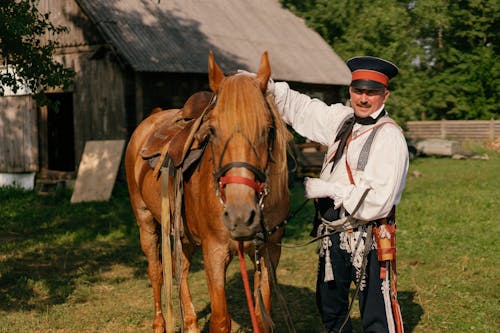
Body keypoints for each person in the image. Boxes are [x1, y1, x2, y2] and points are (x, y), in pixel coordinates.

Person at [270, 56, 408, 333]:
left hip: (368, 234)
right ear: (350, 91)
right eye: (359, 91)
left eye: (371, 92)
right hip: (332, 231)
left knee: (376, 312)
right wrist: (265, 86)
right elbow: (303, 109)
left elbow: (378, 202)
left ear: (385, 95)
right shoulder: (343, 120)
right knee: (330, 305)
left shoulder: (390, 137)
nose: (364, 99)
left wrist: (330, 189)